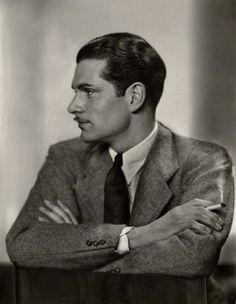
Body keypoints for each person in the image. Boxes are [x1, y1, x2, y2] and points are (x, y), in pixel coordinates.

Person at [6, 33, 234, 303]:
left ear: (134, 96)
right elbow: (22, 244)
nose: (73, 106)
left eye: (89, 92)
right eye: (75, 92)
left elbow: (192, 259)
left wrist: (73, 248)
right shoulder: (65, 157)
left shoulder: (204, 160)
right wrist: (142, 235)